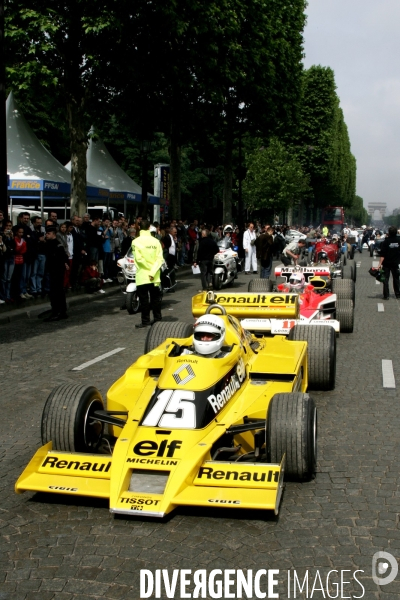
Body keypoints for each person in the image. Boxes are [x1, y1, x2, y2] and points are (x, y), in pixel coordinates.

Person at [132, 220, 164, 328]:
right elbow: (160, 259)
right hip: (154, 275)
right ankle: (157, 318)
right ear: (149, 228)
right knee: (155, 298)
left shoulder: (136, 242)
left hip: (142, 275)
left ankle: (145, 321)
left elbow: (138, 259)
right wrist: (153, 271)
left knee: (144, 299)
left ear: (139, 227)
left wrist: (148, 270)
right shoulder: (156, 242)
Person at [42, 226, 69, 321]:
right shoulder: (48, 244)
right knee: (55, 292)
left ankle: (58, 311)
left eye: (48, 234)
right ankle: (59, 311)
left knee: (57, 292)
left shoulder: (57, 245)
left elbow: (63, 257)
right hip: (52, 270)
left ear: (53, 234)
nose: (46, 235)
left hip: (57, 271)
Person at [377, 226, 400, 300]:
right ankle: (397, 294)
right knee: (396, 279)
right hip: (395, 263)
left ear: (389, 233)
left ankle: (386, 295)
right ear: (396, 232)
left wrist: (379, 265)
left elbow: (382, 254)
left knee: (385, 279)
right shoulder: (399, 240)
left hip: (386, 264)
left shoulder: (386, 241)